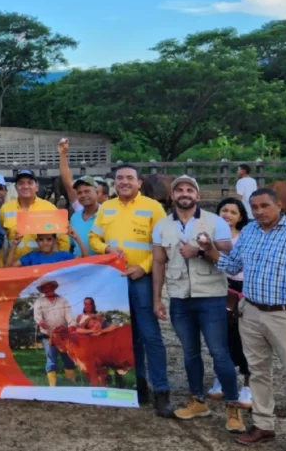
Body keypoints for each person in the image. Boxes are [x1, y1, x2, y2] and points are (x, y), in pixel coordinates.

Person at [208, 188, 286, 451]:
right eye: (254, 207)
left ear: (279, 205)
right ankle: (264, 424)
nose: (260, 211)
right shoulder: (250, 232)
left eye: (265, 206)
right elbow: (233, 266)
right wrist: (209, 250)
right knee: (258, 372)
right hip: (251, 311)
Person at [150, 176, 244, 433]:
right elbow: (159, 263)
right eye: (179, 189)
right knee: (190, 352)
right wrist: (157, 298)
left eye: (190, 189)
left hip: (212, 297)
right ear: (172, 196)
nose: (184, 193)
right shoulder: (161, 226)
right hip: (180, 298)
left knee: (219, 352)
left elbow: (229, 258)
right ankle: (197, 399)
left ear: (198, 196)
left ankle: (233, 405)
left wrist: (202, 251)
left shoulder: (215, 223)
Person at [89, 165, 170, 412]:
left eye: (129, 178)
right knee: (127, 334)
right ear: (114, 182)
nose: (124, 182)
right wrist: (106, 249)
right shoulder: (107, 208)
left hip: (141, 279)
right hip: (114, 280)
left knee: (150, 335)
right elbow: (94, 238)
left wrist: (143, 268)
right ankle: (139, 383)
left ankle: (162, 391)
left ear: (139, 182)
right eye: (120, 178)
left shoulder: (153, 207)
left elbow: (163, 245)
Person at [207, 197, 253, 408]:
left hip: (242, 288)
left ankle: (248, 384)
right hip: (220, 288)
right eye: (224, 210)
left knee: (246, 338)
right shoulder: (210, 236)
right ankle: (224, 377)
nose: (227, 215)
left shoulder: (246, 236)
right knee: (222, 337)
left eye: (233, 212)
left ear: (240, 217)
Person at [0, 169, 70, 267]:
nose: (25, 186)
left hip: (42, 267)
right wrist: (1, 265)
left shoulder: (49, 208)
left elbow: (63, 239)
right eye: (21, 183)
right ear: (15, 187)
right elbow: (0, 239)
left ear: (37, 186)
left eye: (30, 183)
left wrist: (61, 265)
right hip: (15, 267)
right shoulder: (5, 209)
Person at [58, 139, 101, 251]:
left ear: (97, 192)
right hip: (79, 265)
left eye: (87, 191)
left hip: (101, 267)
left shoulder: (106, 214)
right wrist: (62, 154)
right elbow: (68, 183)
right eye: (80, 192)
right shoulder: (75, 216)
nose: (83, 195)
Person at [32, 280, 76, 386]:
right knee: (51, 359)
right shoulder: (39, 302)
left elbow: (69, 314)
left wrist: (72, 324)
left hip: (64, 334)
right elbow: (37, 316)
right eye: (45, 288)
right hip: (48, 334)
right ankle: (53, 385)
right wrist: (40, 322)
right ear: (43, 290)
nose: (48, 289)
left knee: (68, 358)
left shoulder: (63, 300)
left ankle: (71, 382)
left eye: (50, 287)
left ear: (54, 288)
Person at [4, 230, 82, 268]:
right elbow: (8, 269)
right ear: (37, 241)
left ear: (55, 241)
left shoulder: (64, 255)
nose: (45, 243)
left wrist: (77, 238)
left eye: (49, 239)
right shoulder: (31, 256)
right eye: (41, 240)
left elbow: (87, 262)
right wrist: (14, 245)